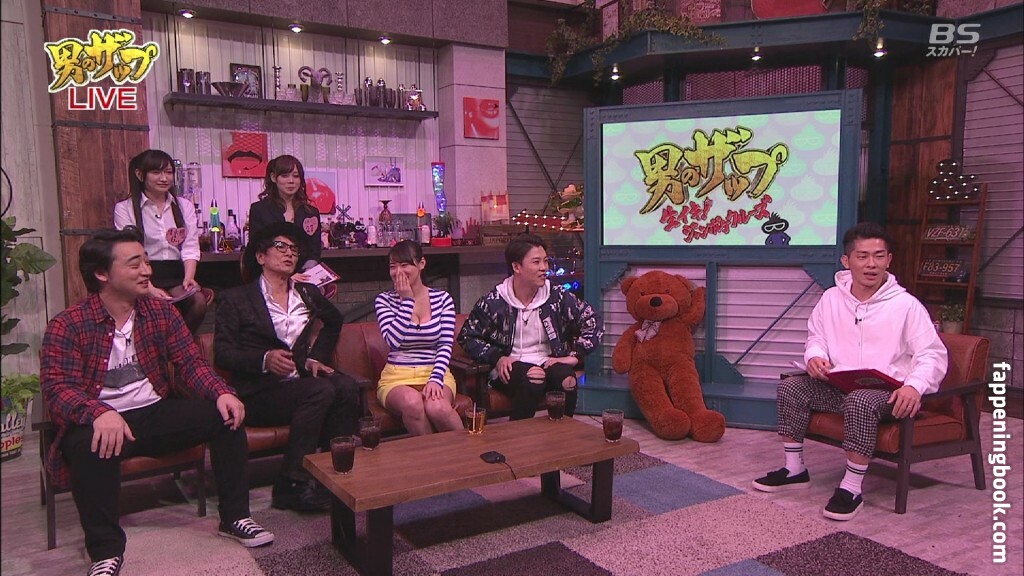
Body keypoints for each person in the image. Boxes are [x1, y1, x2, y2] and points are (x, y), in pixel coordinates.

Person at [40, 229, 273, 576]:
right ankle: (105, 551)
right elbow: (58, 389)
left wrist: (221, 391)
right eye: (134, 264)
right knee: (89, 444)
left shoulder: (160, 313)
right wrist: (98, 412)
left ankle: (235, 517)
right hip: (101, 421)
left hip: (154, 412)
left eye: (146, 261)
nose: (147, 271)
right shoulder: (69, 324)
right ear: (102, 273)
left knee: (224, 415)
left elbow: (190, 363)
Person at [751, 222, 948, 521]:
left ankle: (851, 489)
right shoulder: (831, 298)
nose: (871, 264)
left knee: (860, 401)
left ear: (889, 260)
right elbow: (816, 337)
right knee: (792, 387)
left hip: (889, 396)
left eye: (879, 256)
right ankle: (794, 469)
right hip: (840, 386)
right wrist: (815, 357)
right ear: (847, 261)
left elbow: (932, 354)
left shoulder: (907, 306)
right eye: (863, 256)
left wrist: (914, 386)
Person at [215, 222, 360, 512]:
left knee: (346, 387)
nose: (290, 253)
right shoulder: (236, 299)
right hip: (258, 392)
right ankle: (290, 484)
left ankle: (333, 476)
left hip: (299, 385)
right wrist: (264, 359)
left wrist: (316, 357)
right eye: (280, 247)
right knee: (319, 391)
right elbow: (223, 354)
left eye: (294, 249)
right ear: (260, 257)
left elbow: (334, 321)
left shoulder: (306, 292)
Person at [457, 233, 603, 420]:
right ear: (516, 267)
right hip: (511, 365)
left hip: (548, 361)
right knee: (534, 377)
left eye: (545, 261)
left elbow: (593, 320)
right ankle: (519, 434)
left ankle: (563, 432)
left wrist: (575, 356)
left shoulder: (557, 296)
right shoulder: (494, 301)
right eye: (536, 262)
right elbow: (467, 337)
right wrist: (497, 357)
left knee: (566, 378)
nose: (544, 268)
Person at [374, 241, 463, 435]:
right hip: (397, 376)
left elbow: (445, 344)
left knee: (437, 407)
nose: (398, 272)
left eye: (404, 265)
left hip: (435, 371)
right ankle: (433, 454)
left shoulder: (443, 299)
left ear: (421, 264)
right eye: (393, 266)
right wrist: (407, 301)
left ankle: (469, 452)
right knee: (412, 403)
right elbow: (393, 340)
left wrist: (436, 379)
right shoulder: (384, 300)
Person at [113, 149, 207, 333]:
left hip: (176, 273)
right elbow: (128, 251)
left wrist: (189, 277)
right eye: (156, 172)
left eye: (168, 172)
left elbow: (190, 246)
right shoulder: (125, 208)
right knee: (153, 308)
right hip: (143, 272)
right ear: (140, 175)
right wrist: (149, 288)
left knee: (198, 302)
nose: (164, 178)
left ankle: (178, 343)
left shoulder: (184, 206)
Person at [247, 155, 322, 275]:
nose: (291, 181)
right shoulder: (259, 209)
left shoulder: (310, 212)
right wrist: (288, 276)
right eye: (285, 176)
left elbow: (314, 252)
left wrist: (307, 273)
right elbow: (256, 248)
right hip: (272, 275)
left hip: (304, 275)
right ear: (273, 177)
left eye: (296, 176)